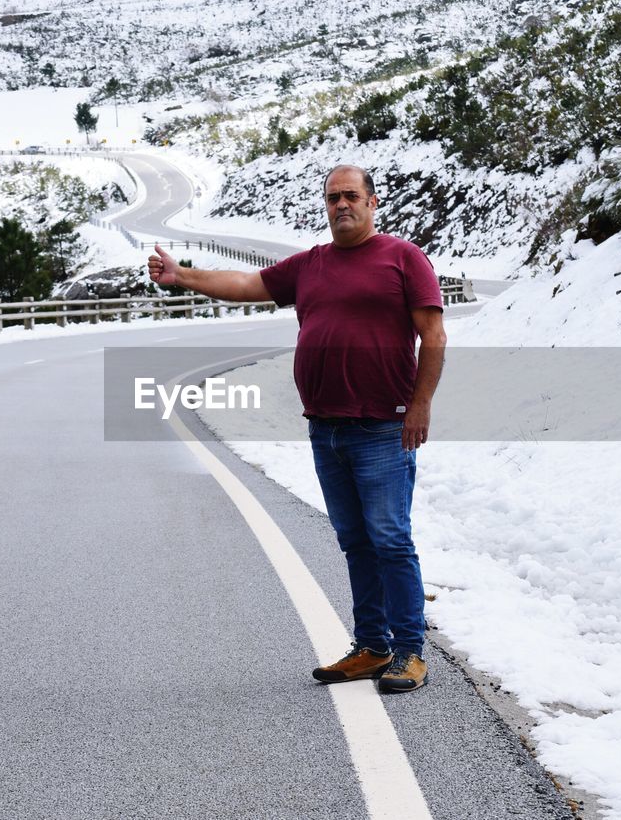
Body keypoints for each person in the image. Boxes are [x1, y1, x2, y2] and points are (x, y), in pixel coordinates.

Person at [146, 165, 447, 692]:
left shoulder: (403, 258)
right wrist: (182, 276)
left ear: (373, 202)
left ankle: (410, 652)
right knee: (355, 540)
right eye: (332, 198)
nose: (341, 205)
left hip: (381, 427)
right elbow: (245, 283)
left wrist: (420, 404)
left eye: (351, 196)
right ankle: (373, 647)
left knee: (390, 538)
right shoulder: (312, 264)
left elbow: (434, 336)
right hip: (326, 429)